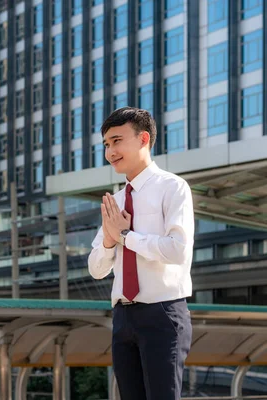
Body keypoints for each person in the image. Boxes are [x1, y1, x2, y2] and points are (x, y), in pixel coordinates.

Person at [88, 107, 194, 400]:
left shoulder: (173, 188)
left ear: (143, 138)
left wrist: (125, 236)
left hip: (162, 312)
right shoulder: (116, 200)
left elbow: (177, 250)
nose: (110, 151)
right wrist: (110, 240)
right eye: (106, 144)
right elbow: (96, 269)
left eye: (117, 140)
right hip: (122, 317)